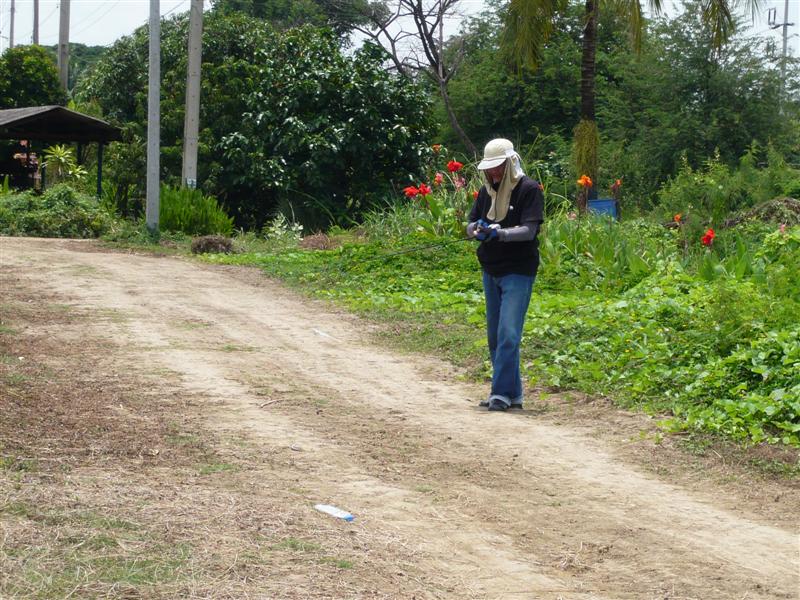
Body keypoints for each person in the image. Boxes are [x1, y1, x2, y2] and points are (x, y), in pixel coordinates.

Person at [466, 138, 544, 411]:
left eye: (499, 167)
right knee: (495, 337)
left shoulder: (529, 189)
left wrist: (500, 233)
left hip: (518, 270)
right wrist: (476, 228)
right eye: (490, 169)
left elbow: (529, 230)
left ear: (510, 163)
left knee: (509, 333)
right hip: (491, 268)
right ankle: (515, 395)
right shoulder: (486, 191)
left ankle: (499, 394)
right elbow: (470, 223)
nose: (494, 173)